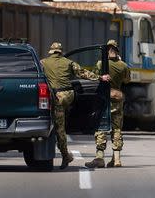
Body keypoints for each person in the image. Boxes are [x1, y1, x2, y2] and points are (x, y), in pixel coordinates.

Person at [41, 41, 109, 169]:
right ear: (61, 52)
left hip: (57, 97)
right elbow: (83, 73)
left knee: (59, 129)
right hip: (70, 95)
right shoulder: (68, 62)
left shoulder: (43, 63)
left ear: (51, 51)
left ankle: (65, 155)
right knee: (70, 113)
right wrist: (101, 78)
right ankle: (75, 124)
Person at [85, 39, 131, 168]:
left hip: (104, 100)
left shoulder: (101, 64)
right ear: (117, 50)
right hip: (117, 100)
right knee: (117, 128)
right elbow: (127, 80)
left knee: (101, 127)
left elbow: (94, 76)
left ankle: (99, 158)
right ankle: (116, 159)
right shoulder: (124, 65)